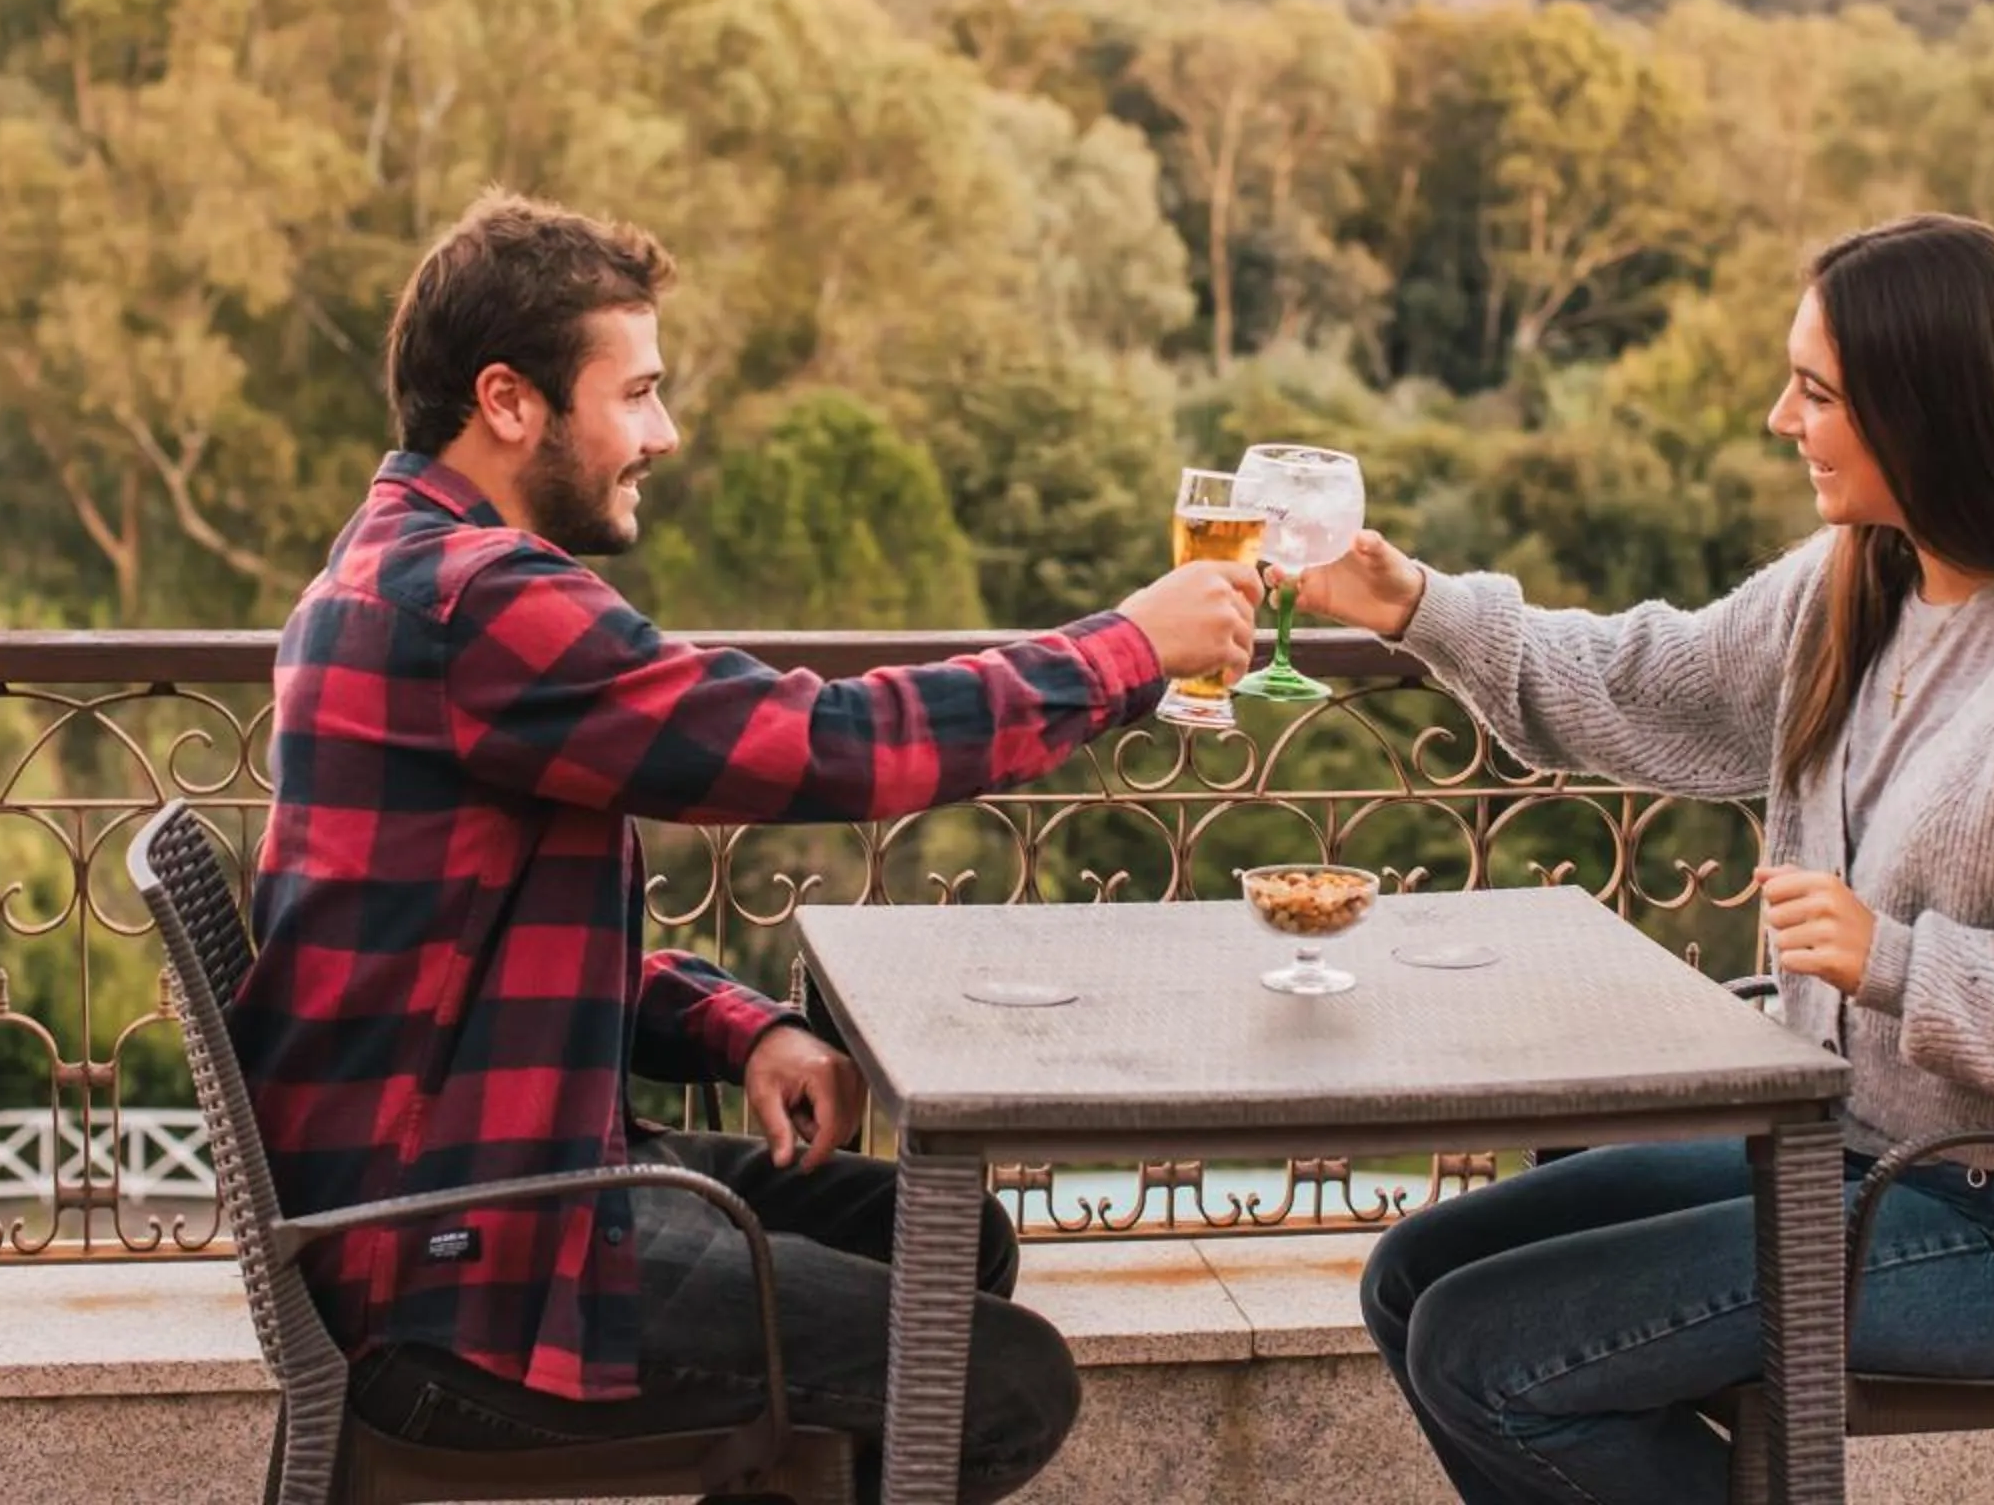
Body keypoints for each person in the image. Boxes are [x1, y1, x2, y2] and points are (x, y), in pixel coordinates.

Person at [227, 191, 1261, 1503]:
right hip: (464, 1267)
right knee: (999, 1383)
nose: (663, 433)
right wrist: (1128, 648)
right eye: (638, 393)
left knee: (943, 1239)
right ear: (508, 401)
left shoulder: (393, 571)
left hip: (463, 1196)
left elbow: (474, 948)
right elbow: (823, 744)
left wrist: (740, 1029)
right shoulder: (473, 601)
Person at [1289, 213, 1994, 1504]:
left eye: (1816, 392)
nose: (1779, 418)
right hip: (1846, 1159)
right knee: (1412, 1278)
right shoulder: (1860, 582)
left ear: (1927, 410)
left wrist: (1899, 964)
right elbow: (1646, 684)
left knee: (1488, 1354)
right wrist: (1419, 606)